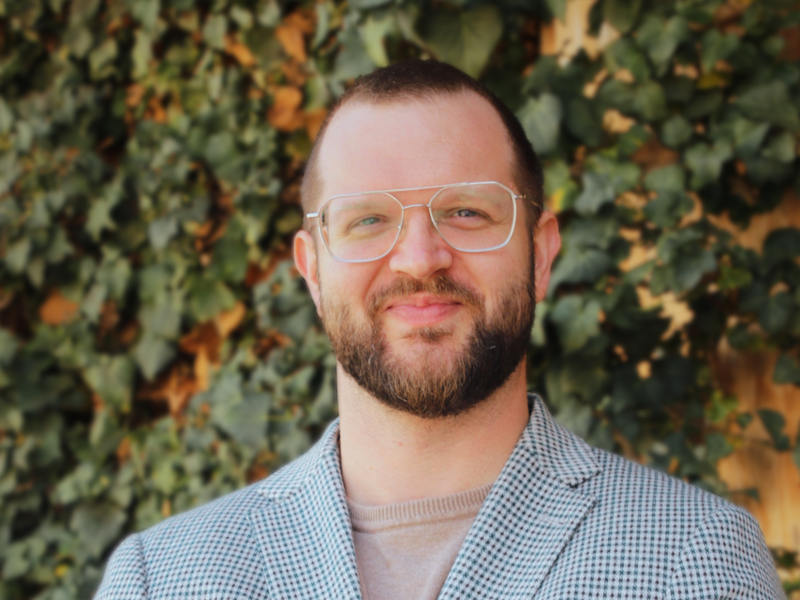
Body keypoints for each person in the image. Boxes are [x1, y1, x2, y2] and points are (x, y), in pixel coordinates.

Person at [96, 60, 783, 600]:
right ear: (312, 272)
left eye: (467, 213)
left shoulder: (694, 559)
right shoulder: (162, 579)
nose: (420, 258)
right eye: (368, 220)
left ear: (541, 254)